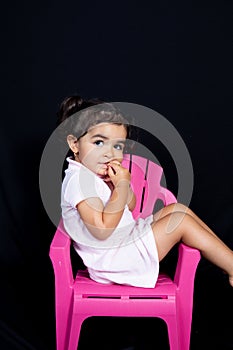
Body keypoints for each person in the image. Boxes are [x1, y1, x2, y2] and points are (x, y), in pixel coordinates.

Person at [58, 95, 233, 288]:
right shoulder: (78, 181)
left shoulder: (94, 176)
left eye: (117, 146)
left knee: (178, 210)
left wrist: (119, 184)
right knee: (180, 223)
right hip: (115, 261)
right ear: (74, 144)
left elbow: (130, 205)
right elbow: (101, 230)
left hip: (123, 243)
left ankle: (227, 261)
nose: (109, 153)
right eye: (99, 142)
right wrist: (122, 186)